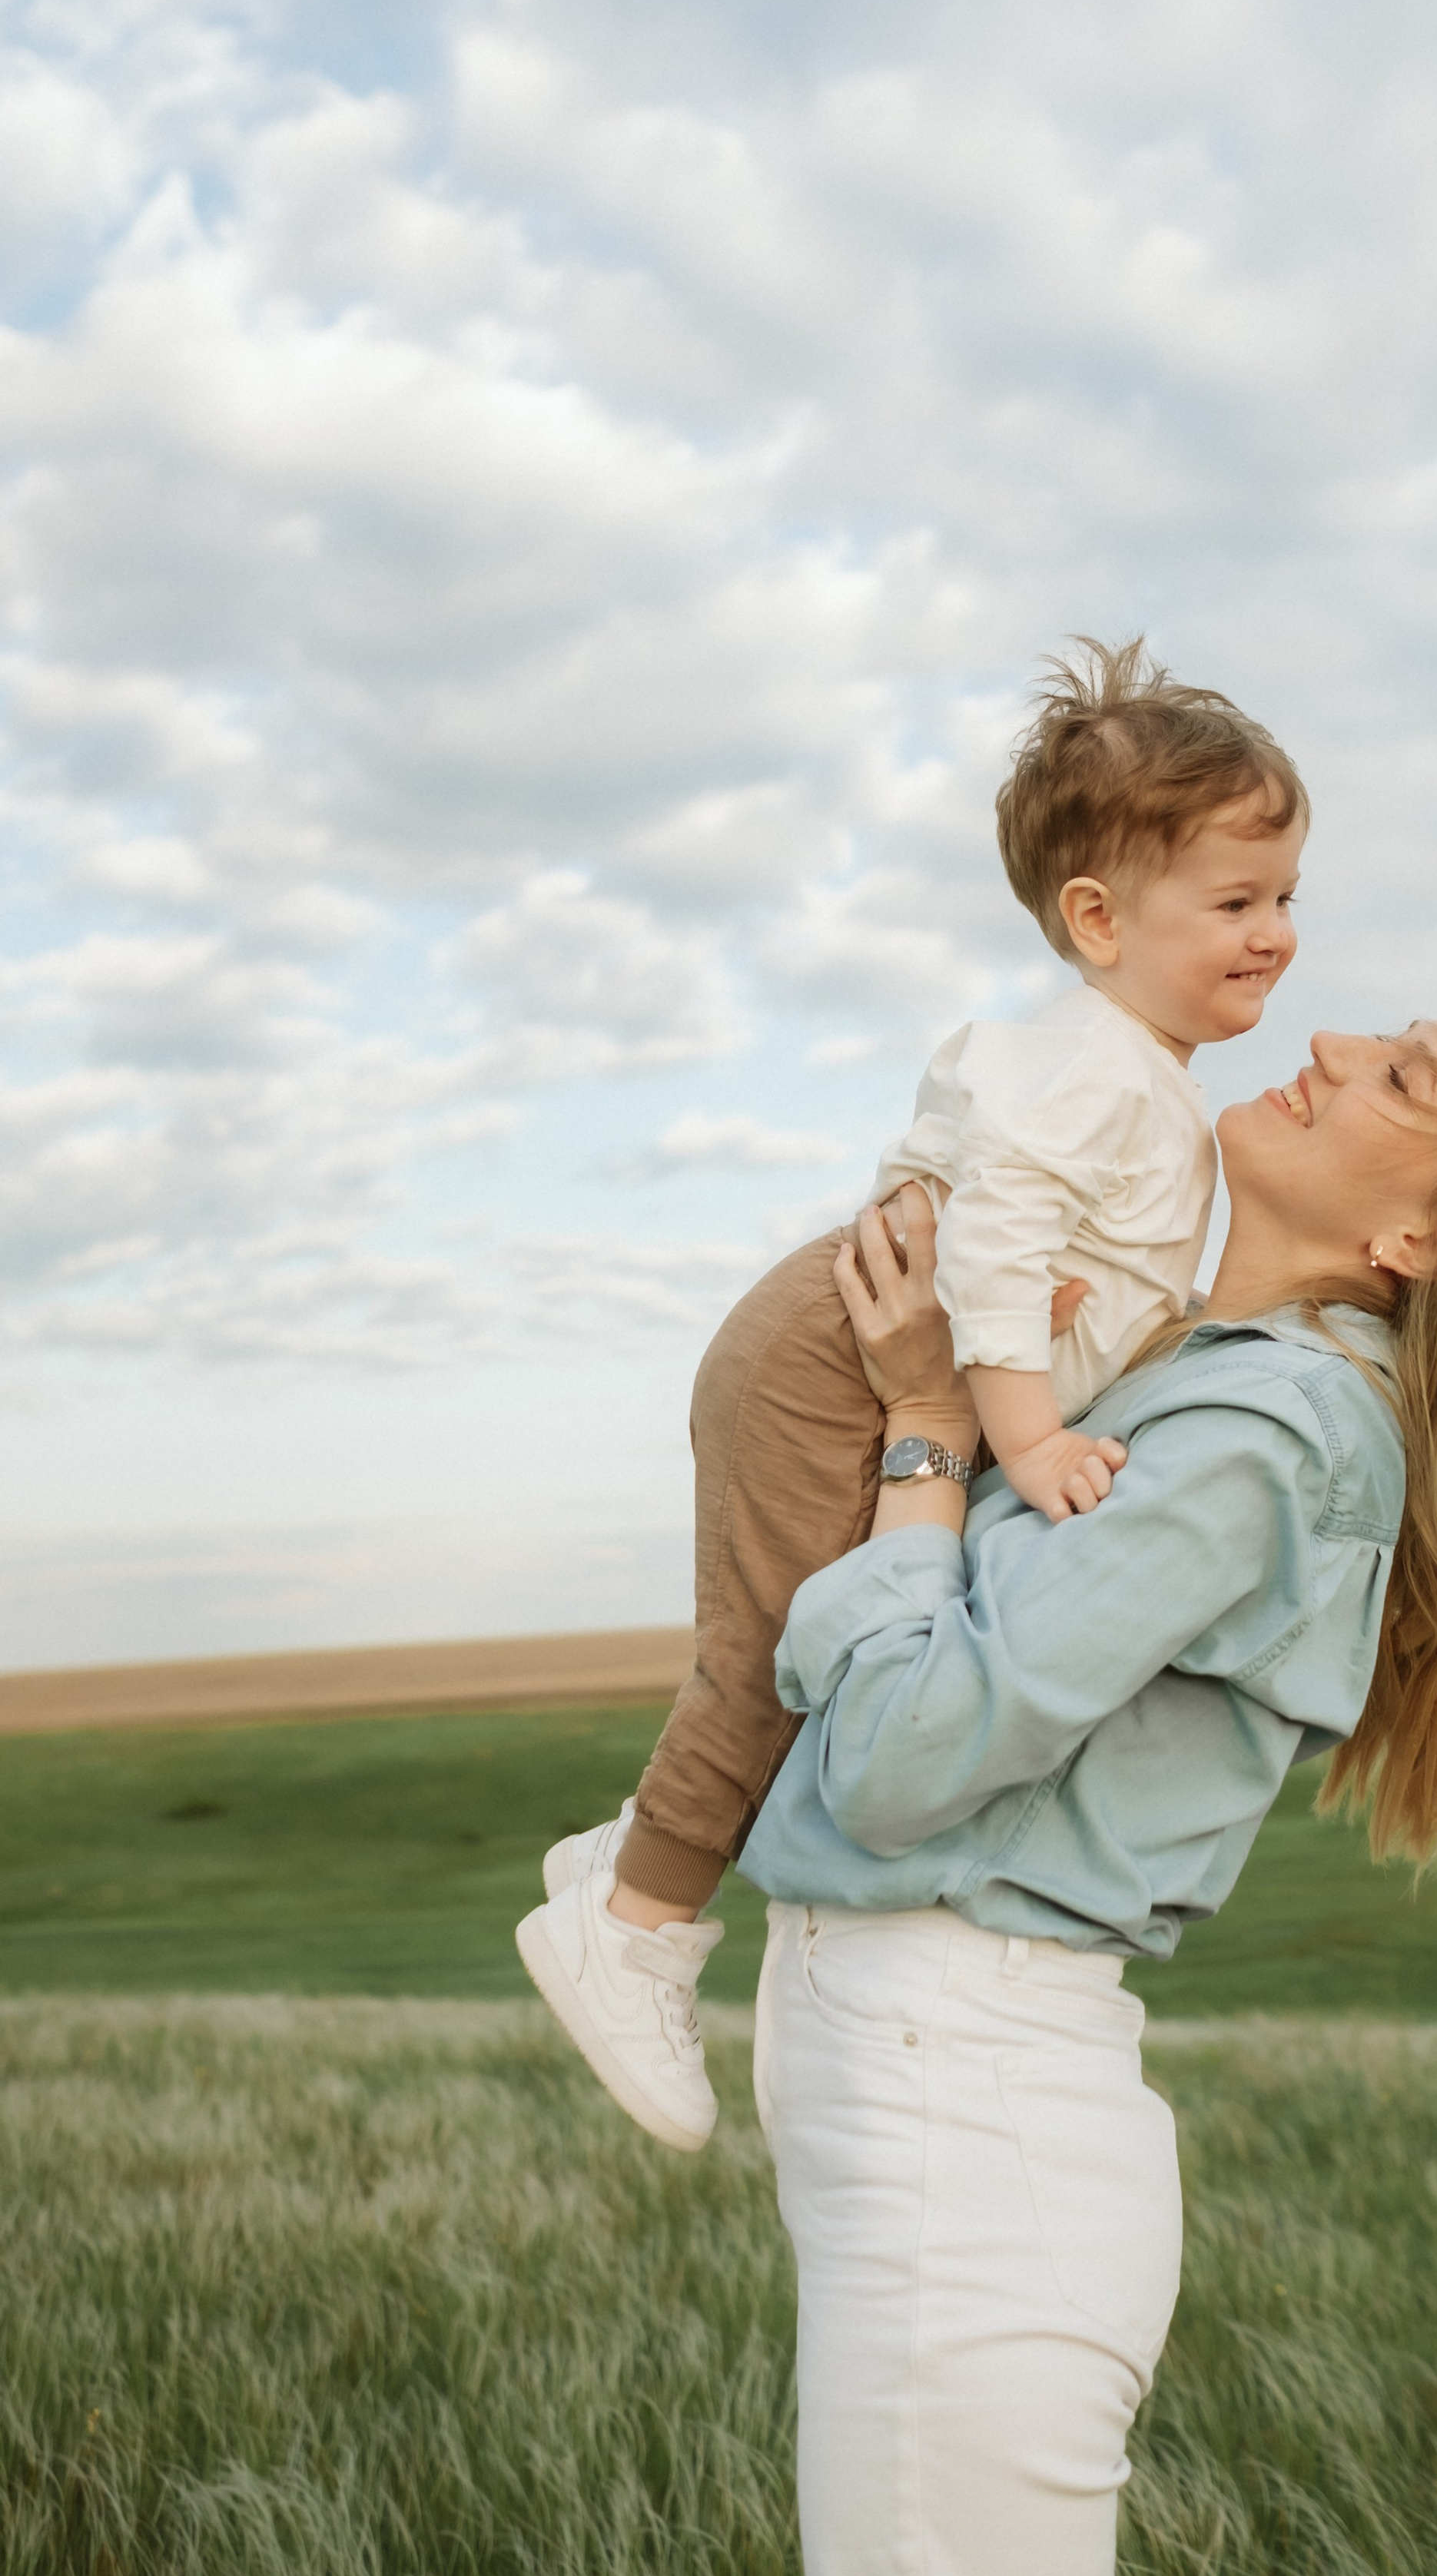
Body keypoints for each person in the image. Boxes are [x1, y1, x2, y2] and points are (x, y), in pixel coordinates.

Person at [728, 1013, 1437, 2576]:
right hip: (946, 2109)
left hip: (967, 2124)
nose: (1330, 1035)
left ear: (1408, 1243)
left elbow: (895, 1760)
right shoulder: (1182, 1381)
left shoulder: (1253, 1444)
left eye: (1399, 1078)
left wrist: (927, 1435)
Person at [516, 642, 1309, 2147]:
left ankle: (625, 1855)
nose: (1273, 934)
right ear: (1095, 918)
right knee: (767, 1651)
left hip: (865, 1341)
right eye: (1234, 901)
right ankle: (630, 1930)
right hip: (836, 1351)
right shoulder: (1094, 1067)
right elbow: (995, 1234)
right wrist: (1020, 1428)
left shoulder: (1132, 1072)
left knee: (829, 1638)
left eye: (1282, 899)